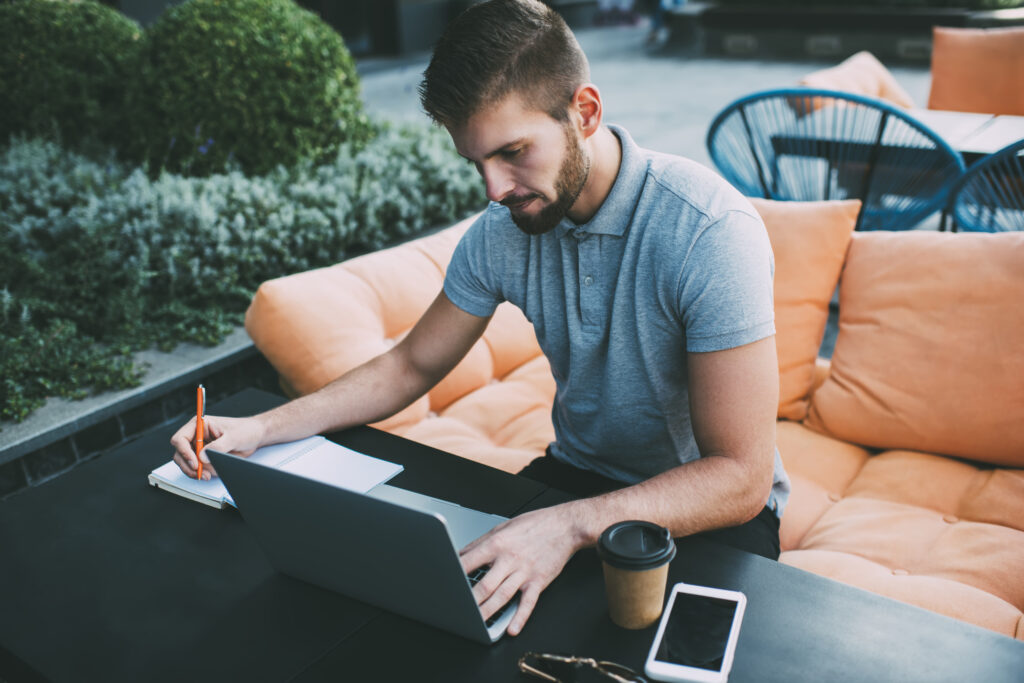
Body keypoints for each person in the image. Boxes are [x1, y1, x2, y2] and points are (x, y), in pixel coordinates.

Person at [170, 0, 789, 638]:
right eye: (476, 163)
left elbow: (740, 478)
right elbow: (411, 364)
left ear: (585, 113)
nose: (494, 189)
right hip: (573, 478)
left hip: (711, 515)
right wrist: (260, 428)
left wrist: (570, 524)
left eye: (514, 152)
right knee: (440, 628)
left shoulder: (708, 232)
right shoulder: (506, 229)